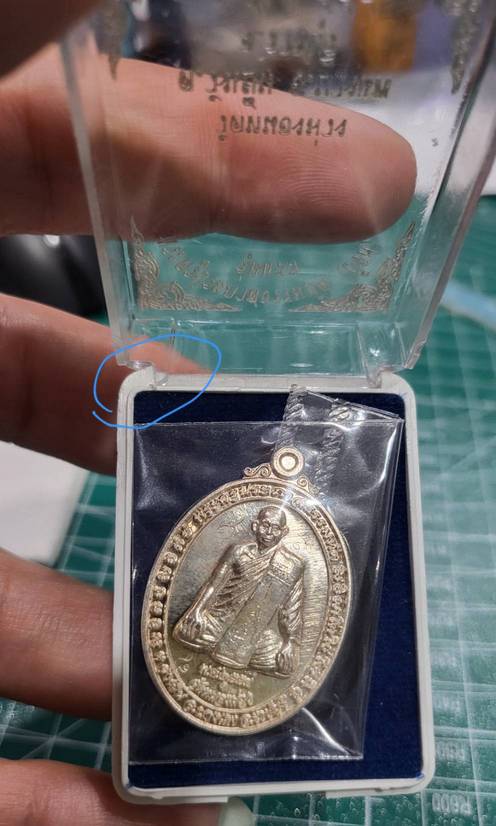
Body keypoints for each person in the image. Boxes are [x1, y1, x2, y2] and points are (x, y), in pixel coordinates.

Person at [0, 0, 415, 822]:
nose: (262, 532)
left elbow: (295, 614)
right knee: (189, 630)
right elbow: (208, 589)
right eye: (260, 526)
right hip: (211, 641)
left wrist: (270, 642)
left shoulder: (296, 561)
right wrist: (201, 623)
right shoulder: (240, 545)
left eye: (266, 528)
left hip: (261, 654)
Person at [174, 507, 304, 677]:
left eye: (276, 528)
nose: (269, 533)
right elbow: (213, 584)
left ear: (284, 532)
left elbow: (292, 610)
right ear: (255, 526)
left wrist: (291, 642)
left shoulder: (292, 566)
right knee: (186, 631)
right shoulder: (238, 551)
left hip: (256, 635)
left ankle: (241, 656)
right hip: (219, 622)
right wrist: (196, 611)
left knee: (285, 663)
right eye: (265, 525)